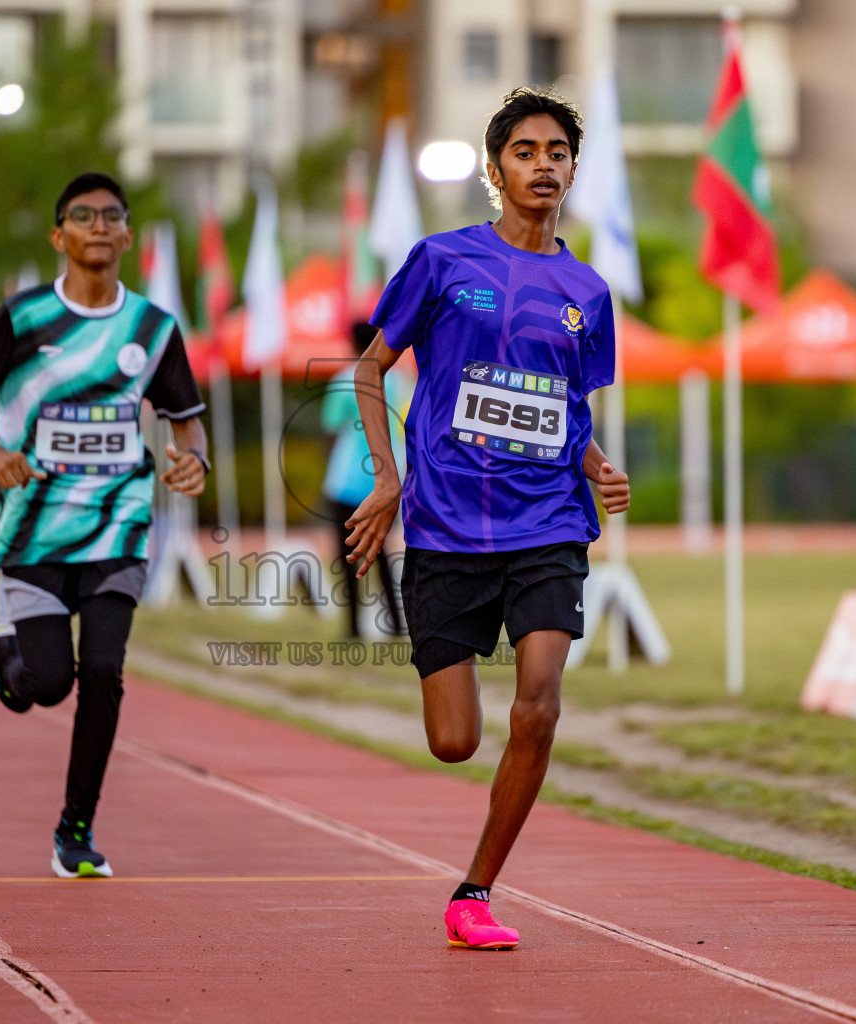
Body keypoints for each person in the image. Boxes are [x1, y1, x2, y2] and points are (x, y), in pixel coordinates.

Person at [347, 88, 631, 951]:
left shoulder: (588, 291)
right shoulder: (440, 262)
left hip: (547, 524)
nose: (543, 165)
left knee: (538, 706)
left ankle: (474, 891)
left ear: (573, 170)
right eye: (525, 151)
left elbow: (563, 410)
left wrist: (596, 466)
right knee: (454, 741)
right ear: (495, 168)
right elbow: (369, 371)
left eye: (557, 153)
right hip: (444, 530)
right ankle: (470, 860)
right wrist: (387, 479)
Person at [0, 171, 208, 879]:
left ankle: (75, 830)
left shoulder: (152, 329)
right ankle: (8, 658)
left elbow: (186, 419)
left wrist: (193, 461)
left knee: (106, 673)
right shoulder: (24, 320)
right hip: (35, 533)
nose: (97, 225)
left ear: (126, 236)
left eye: (110, 216)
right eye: (81, 216)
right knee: (49, 683)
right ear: (60, 236)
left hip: (120, 527)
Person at [321, 322, 408, 637]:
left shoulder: (344, 380)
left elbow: (331, 429)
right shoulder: (399, 381)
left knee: (347, 557)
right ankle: (397, 624)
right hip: (388, 478)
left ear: (351, 343)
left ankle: (353, 628)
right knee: (383, 554)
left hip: (345, 481)